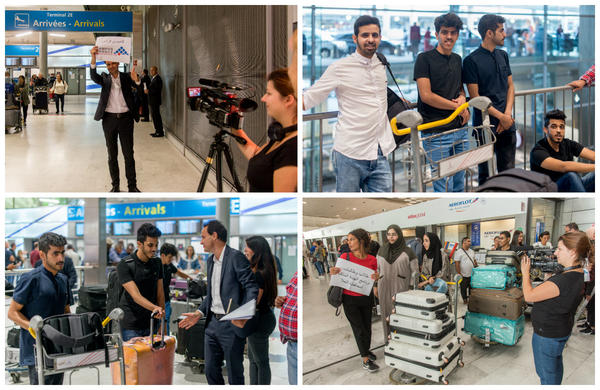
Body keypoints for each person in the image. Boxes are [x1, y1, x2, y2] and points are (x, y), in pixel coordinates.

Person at [303, 15, 395, 192]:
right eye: (365, 35)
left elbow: (379, 96)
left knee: (379, 208)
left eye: (375, 35)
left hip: (380, 150)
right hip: (350, 153)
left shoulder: (381, 63)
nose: (370, 39)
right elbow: (310, 98)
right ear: (355, 38)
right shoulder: (339, 68)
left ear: (380, 37)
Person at [178, 220, 258, 385]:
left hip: (231, 324)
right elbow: (212, 295)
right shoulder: (210, 261)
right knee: (211, 371)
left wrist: (245, 313)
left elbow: (251, 287)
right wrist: (199, 312)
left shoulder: (236, 257)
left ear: (214, 236)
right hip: (212, 324)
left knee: (235, 374)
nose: (201, 242)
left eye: (203, 237)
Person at [521, 231, 591, 384]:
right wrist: (550, 280)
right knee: (555, 365)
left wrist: (525, 273)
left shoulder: (563, 281)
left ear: (573, 252)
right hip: (561, 329)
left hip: (548, 335)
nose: (556, 252)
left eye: (560, 249)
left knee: (546, 373)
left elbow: (529, 296)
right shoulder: (580, 272)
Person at [414, 13, 470, 192]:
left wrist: (462, 98)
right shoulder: (424, 58)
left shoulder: (457, 59)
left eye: (453, 32)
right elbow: (426, 95)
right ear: (437, 34)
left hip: (460, 129)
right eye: (445, 32)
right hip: (436, 133)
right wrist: (458, 107)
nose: (449, 36)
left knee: (460, 184)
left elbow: (460, 88)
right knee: (444, 187)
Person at [7, 232, 72, 385]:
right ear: (42, 255)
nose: (61, 258)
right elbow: (12, 312)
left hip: (59, 348)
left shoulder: (63, 280)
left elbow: (66, 311)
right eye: (55, 253)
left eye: (62, 253)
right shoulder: (31, 279)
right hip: (36, 350)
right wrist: (34, 329)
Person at [463, 14, 516, 185]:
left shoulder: (503, 55)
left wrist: (507, 115)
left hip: (507, 125)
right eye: (501, 30)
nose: (504, 34)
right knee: (485, 176)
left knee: (508, 174)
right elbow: (476, 98)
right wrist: (501, 117)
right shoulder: (471, 61)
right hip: (484, 127)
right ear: (489, 33)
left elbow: (511, 87)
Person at [233, 68, 297, 192]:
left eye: (269, 93)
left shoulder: (291, 150)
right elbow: (259, 158)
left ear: (288, 99)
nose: (263, 98)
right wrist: (236, 130)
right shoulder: (282, 133)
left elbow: (280, 204)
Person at [89, 46, 142, 193]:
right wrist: (93, 57)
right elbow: (93, 76)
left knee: (128, 155)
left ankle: (132, 187)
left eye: (112, 63)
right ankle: (115, 186)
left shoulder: (126, 77)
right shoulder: (104, 79)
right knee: (112, 155)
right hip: (109, 120)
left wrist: (137, 81)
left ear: (118, 63)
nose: (110, 66)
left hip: (126, 120)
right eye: (107, 64)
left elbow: (140, 92)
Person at [330, 228, 380, 372]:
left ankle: (366, 350)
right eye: (348, 239)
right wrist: (333, 272)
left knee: (367, 327)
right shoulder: (345, 257)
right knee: (358, 329)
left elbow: (374, 276)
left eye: (352, 239)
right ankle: (365, 359)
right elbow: (336, 275)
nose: (349, 242)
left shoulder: (372, 259)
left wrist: (376, 278)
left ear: (361, 241)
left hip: (366, 297)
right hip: (349, 299)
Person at [117, 223, 165, 341]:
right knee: (134, 359)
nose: (154, 249)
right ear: (139, 244)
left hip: (152, 322)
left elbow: (160, 293)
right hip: (131, 325)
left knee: (153, 359)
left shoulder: (157, 263)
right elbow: (136, 296)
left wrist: (162, 320)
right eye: (150, 245)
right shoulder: (125, 264)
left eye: (156, 245)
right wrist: (155, 308)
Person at [530, 109, 595, 192]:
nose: (558, 131)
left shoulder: (568, 144)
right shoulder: (537, 151)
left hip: (573, 186)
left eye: (561, 127)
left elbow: (593, 156)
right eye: (554, 126)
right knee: (571, 176)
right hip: (551, 191)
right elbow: (563, 166)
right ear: (546, 129)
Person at [243, 236, 278, 385]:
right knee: (253, 361)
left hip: (259, 321)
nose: (245, 250)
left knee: (261, 362)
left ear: (256, 251)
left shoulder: (259, 274)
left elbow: (252, 302)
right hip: (262, 318)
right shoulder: (263, 270)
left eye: (248, 248)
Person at [376, 225, 418, 338]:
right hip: (384, 286)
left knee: (400, 313)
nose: (391, 237)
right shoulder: (381, 250)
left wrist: (411, 287)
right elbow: (377, 269)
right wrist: (376, 284)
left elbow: (415, 272)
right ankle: (388, 339)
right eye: (389, 234)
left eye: (394, 234)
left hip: (401, 288)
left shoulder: (408, 252)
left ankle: (401, 339)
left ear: (399, 235)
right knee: (385, 313)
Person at [159, 243, 191, 334]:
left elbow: (179, 273)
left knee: (166, 321)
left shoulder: (169, 265)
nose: (171, 259)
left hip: (166, 300)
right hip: (156, 301)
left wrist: (192, 280)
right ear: (162, 255)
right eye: (169, 257)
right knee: (158, 324)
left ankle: (166, 342)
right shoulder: (156, 266)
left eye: (172, 257)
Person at [275, 271, 298, 385]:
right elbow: (292, 297)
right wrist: (283, 300)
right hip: (290, 342)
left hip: (297, 343)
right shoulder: (295, 275)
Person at [454, 236, 477, 304]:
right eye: (468, 241)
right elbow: (457, 263)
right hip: (463, 274)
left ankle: (470, 299)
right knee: (463, 288)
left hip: (472, 274)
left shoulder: (472, 251)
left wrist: (477, 267)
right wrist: (459, 273)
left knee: (471, 288)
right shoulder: (459, 252)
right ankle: (465, 300)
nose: (470, 243)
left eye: (470, 241)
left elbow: (474, 260)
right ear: (464, 242)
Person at [146, 66, 164, 137]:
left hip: (155, 101)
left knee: (156, 116)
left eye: (152, 70)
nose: (151, 72)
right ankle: (157, 130)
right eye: (150, 70)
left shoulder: (158, 79)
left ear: (156, 71)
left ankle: (160, 132)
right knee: (155, 116)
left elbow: (157, 90)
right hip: (153, 101)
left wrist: (148, 91)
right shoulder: (153, 78)